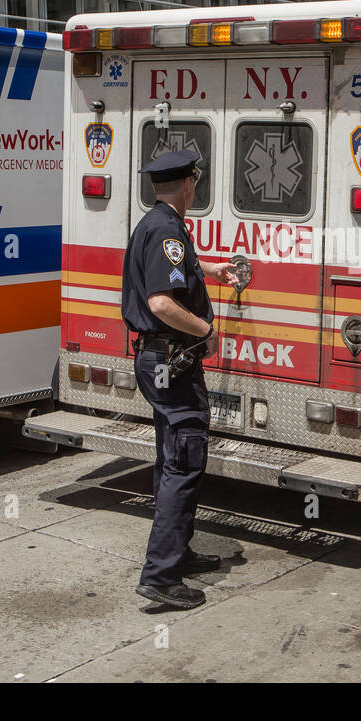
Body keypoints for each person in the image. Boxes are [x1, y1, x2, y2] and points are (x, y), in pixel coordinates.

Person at [122, 149, 237, 608]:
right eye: (195, 181)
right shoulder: (167, 228)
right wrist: (207, 331)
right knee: (184, 462)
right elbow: (161, 303)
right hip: (171, 361)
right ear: (189, 184)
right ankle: (161, 576)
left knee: (171, 457)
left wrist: (210, 269)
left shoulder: (158, 223)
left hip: (161, 360)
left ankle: (178, 552)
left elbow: (176, 265)